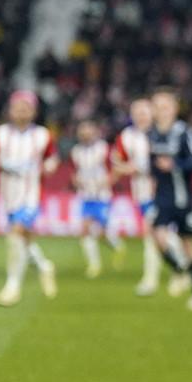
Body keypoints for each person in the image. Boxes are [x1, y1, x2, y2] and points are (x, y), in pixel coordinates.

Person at [0, 90, 58, 306]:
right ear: (10, 111)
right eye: (17, 107)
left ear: (33, 111)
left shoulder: (43, 135)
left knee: (15, 233)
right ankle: (44, 266)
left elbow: (52, 159)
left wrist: (49, 167)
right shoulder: (0, 134)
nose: (21, 111)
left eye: (26, 107)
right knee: (24, 237)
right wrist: (4, 165)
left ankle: (12, 287)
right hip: (9, 195)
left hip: (31, 195)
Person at [147, 88, 192, 312]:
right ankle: (180, 268)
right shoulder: (152, 134)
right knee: (157, 235)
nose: (160, 111)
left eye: (165, 107)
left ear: (174, 109)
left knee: (188, 243)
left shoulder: (184, 133)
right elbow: (151, 163)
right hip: (162, 196)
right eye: (157, 107)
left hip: (182, 197)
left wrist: (176, 166)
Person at [111, 98, 162, 297]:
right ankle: (182, 268)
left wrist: (134, 167)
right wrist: (126, 168)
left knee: (152, 233)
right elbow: (118, 162)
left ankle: (151, 279)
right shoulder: (126, 137)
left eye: (145, 111)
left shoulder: (160, 134)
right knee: (159, 235)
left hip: (162, 192)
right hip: (141, 192)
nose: (141, 115)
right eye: (137, 112)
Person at [70, 119, 122, 279]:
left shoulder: (105, 149)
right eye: (82, 130)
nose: (85, 133)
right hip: (86, 196)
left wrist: (108, 182)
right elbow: (73, 172)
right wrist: (76, 181)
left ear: (95, 131)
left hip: (102, 197)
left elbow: (116, 169)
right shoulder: (76, 151)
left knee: (102, 233)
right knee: (85, 230)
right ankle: (94, 265)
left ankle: (118, 246)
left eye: (88, 130)